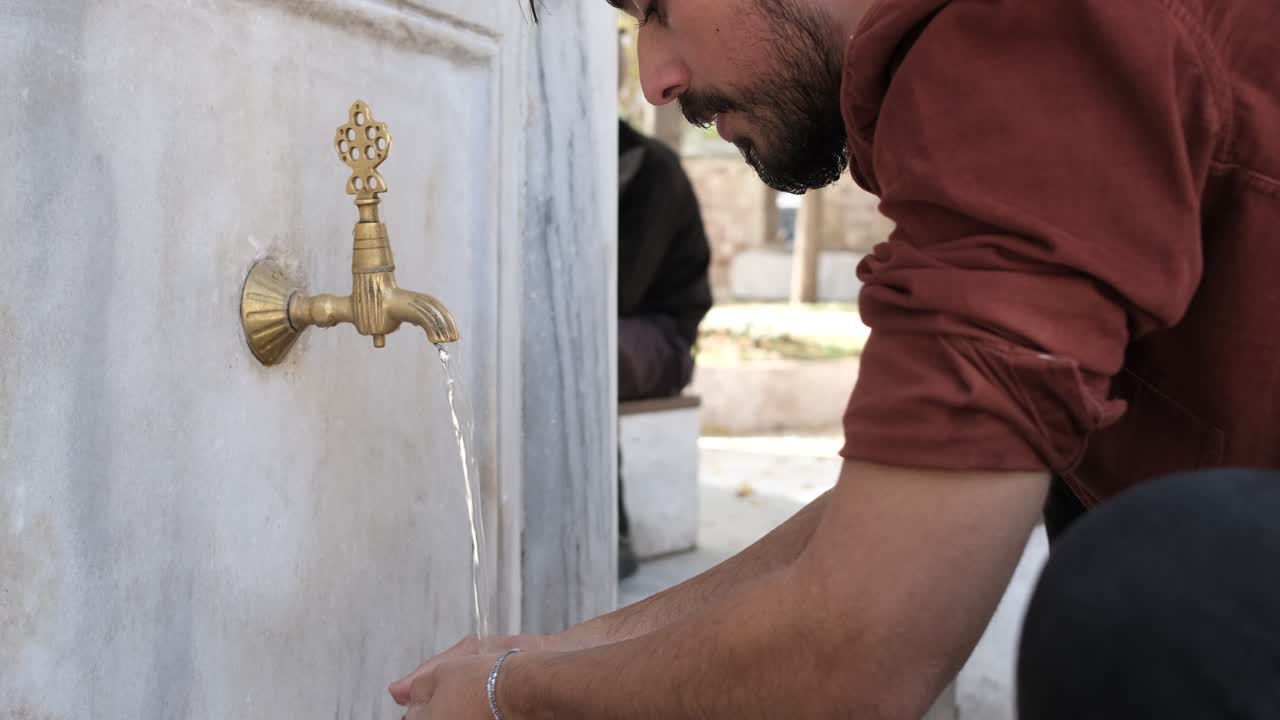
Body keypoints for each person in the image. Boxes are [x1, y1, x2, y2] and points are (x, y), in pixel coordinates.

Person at [390, 0, 1280, 717]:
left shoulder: (1024, 43)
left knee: (1149, 599)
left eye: (657, 7)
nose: (653, 79)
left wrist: (517, 698)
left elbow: (860, 650)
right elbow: (895, 519)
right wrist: (547, 653)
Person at [615, 117, 713, 579]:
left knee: (592, 354)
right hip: (623, 328)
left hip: (664, 338)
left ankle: (612, 529)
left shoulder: (651, 168)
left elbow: (622, 293)